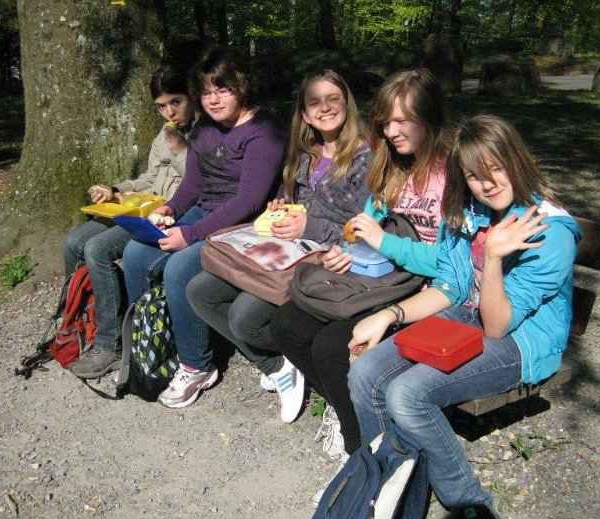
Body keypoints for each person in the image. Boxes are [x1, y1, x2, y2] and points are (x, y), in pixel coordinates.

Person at [348, 114, 582, 519]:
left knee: (408, 395)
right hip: (469, 315)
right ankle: (386, 484)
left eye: (495, 168)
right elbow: (454, 286)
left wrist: (493, 256)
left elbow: (497, 325)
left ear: (515, 162)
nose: (486, 183)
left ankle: (473, 512)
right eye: (474, 175)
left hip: (520, 340)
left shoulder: (551, 233)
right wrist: (389, 315)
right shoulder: (470, 213)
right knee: (365, 372)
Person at [268, 68, 450, 492]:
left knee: (333, 345)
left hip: (423, 292)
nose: (391, 130)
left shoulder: (448, 176)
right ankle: (344, 406)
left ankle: (360, 452)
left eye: (403, 120)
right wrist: (348, 252)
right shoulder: (388, 168)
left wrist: (384, 244)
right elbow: (362, 229)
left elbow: (450, 264)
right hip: (380, 279)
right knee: (288, 324)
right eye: (386, 121)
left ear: (430, 116)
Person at [187, 69, 372, 423]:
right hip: (282, 250)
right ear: (304, 113)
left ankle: (290, 357)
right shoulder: (304, 153)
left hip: (325, 262)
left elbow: (362, 234)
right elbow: (289, 195)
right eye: (314, 102)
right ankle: (278, 365)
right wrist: (279, 206)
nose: (325, 108)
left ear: (347, 104)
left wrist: (310, 225)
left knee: (244, 318)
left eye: (334, 99)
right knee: (200, 291)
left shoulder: (366, 159)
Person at [122, 47, 286, 409]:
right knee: (135, 253)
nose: (213, 99)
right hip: (204, 211)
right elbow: (192, 185)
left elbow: (249, 200)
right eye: (207, 92)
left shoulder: (263, 130)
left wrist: (190, 234)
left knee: (180, 269)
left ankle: (196, 365)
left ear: (241, 87)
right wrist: (170, 208)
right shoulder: (203, 129)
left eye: (222, 89)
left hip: (246, 224)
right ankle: (150, 342)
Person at [64, 65, 196, 379]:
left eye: (175, 102)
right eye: (161, 107)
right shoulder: (163, 134)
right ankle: (79, 321)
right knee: (73, 243)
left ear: (192, 96)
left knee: (97, 249)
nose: (169, 112)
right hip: (141, 206)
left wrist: (180, 149)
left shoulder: (204, 133)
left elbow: (200, 183)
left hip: (169, 216)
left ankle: (113, 345)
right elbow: (150, 178)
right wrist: (116, 190)